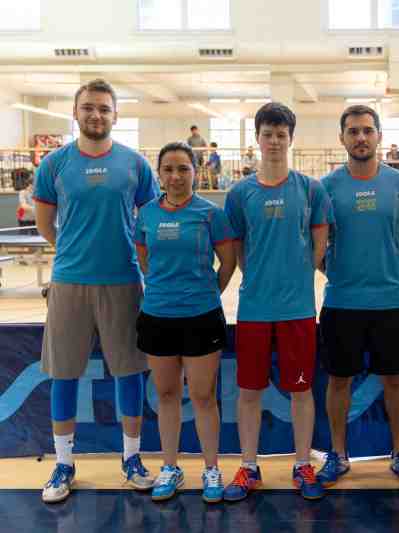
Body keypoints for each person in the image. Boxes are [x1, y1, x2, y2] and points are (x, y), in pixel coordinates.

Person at [34, 79, 159, 503]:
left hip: (123, 282)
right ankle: (64, 464)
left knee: (129, 371)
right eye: (88, 107)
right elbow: (46, 224)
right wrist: (73, 254)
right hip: (70, 282)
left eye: (104, 108)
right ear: (75, 112)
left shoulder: (135, 165)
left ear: (115, 115)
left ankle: (132, 459)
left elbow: (150, 222)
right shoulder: (54, 164)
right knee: (64, 373)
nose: (96, 115)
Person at [223, 102, 333, 501]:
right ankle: (248, 467)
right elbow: (237, 249)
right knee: (249, 391)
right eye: (267, 134)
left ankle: (303, 463)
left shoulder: (311, 189)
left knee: (301, 391)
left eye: (280, 135)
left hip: (298, 309)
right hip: (253, 309)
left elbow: (320, 243)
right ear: (257, 139)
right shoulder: (239, 194)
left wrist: (297, 277)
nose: (273, 142)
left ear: (290, 139)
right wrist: (261, 278)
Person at [316, 105, 399, 488]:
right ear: (342, 138)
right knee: (339, 381)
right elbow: (317, 242)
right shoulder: (326, 187)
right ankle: (339, 454)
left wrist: (394, 272)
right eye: (353, 131)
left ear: (379, 135)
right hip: (341, 302)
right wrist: (334, 272)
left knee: (395, 380)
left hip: (390, 302)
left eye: (367, 130)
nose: (360, 137)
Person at [134, 142, 237, 503]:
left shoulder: (210, 214)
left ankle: (211, 468)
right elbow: (144, 258)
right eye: (168, 169)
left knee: (203, 395)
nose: (176, 176)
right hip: (157, 316)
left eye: (183, 169)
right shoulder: (146, 215)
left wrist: (205, 294)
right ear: (159, 174)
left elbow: (227, 263)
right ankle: (170, 467)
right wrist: (166, 289)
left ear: (196, 172)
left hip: (201, 316)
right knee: (166, 395)